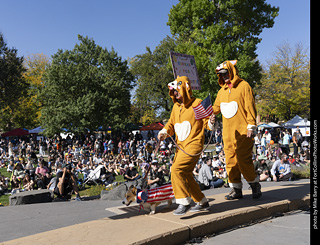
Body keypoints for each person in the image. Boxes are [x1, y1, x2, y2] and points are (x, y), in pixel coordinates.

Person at [157, 76, 215, 215]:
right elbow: (170, 124)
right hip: (180, 147)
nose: (174, 94)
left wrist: (212, 121)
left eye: (176, 91)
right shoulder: (175, 107)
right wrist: (164, 132)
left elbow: (207, 123)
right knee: (186, 174)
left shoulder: (198, 103)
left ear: (184, 89)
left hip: (194, 145)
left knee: (176, 170)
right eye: (173, 92)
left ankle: (184, 201)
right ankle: (202, 201)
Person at [213, 60, 261, 200]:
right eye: (221, 74)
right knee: (230, 161)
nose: (224, 76)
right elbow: (216, 108)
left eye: (226, 73)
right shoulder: (221, 92)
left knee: (243, 159)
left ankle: (254, 184)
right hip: (227, 134)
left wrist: (251, 125)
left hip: (243, 132)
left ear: (232, 71)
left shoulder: (244, 86)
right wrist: (207, 112)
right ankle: (236, 189)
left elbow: (250, 107)